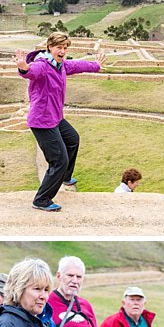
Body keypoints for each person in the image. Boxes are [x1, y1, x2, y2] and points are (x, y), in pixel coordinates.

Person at [15, 31, 105, 211]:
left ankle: (65, 176)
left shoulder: (60, 65)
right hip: (42, 121)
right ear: (50, 47)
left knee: (73, 139)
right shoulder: (43, 65)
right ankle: (41, 200)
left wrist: (95, 65)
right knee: (59, 160)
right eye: (59, 47)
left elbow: (78, 65)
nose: (62, 51)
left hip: (55, 118)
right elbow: (31, 72)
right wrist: (23, 67)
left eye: (65, 48)